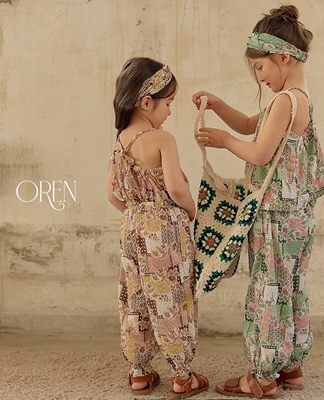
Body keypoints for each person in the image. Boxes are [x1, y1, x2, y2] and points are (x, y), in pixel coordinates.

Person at [193, 5, 324, 399]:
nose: (260, 76)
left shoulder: (285, 101)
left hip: (274, 215)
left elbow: (258, 152)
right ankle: (290, 365)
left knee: (267, 288)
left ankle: (262, 375)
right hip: (297, 216)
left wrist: (224, 141)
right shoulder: (299, 99)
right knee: (289, 286)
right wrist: (218, 105)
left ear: (283, 57)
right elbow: (248, 125)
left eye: (260, 67)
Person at [108, 57, 209, 398]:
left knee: (136, 297)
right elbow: (176, 188)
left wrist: (136, 213)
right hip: (165, 231)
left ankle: (139, 372)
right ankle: (181, 375)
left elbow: (111, 194)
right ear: (147, 102)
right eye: (168, 103)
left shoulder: (120, 141)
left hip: (132, 230)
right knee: (171, 298)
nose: (169, 111)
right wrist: (190, 210)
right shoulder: (162, 140)